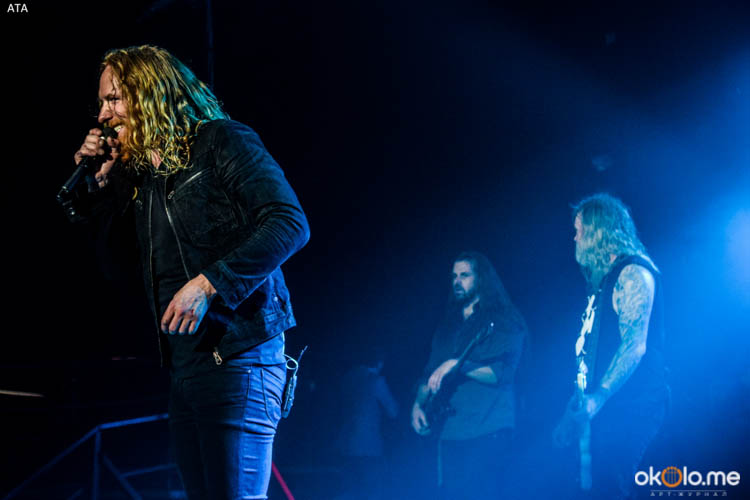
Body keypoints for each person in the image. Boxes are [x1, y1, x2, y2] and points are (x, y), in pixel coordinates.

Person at [67, 45, 309, 499]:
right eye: (101, 103)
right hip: (186, 365)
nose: (103, 115)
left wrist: (209, 283)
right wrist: (101, 187)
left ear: (151, 93)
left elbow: (289, 223)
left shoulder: (221, 141)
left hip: (240, 354)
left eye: (114, 99)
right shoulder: (143, 178)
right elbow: (114, 269)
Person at [553, 193, 668, 499]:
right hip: (606, 407)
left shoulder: (633, 273)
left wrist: (600, 396)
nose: (575, 238)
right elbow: (590, 357)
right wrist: (573, 411)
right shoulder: (602, 285)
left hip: (635, 403)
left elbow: (635, 345)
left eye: (579, 230)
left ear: (597, 232)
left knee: (619, 487)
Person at [411, 251, 527, 499]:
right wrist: (418, 405)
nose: (457, 281)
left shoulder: (503, 319)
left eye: (464, 275)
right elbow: (430, 373)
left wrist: (458, 364)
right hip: (450, 432)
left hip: (488, 428)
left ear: (481, 278)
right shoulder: (448, 326)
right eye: (454, 276)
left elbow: (502, 374)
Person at [334, 348, 399, 500]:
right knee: (371, 490)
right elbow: (393, 411)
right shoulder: (376, 381)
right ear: (380, 362)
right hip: (368, 446)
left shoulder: (347, 378)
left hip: (346, 444)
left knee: (350, 489)